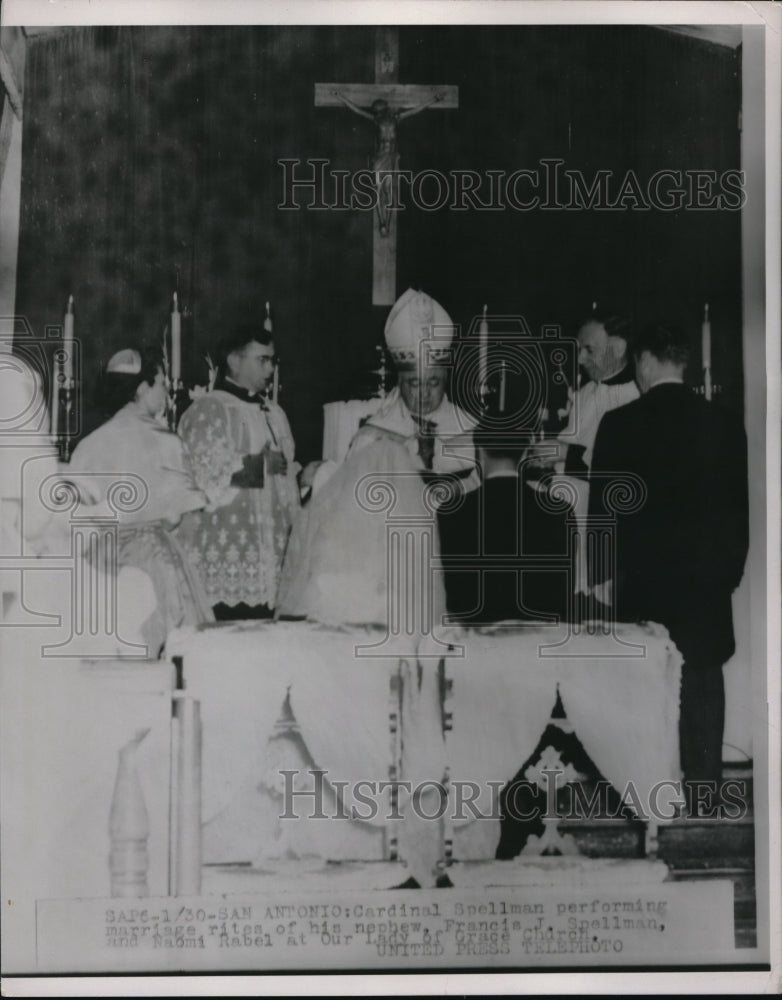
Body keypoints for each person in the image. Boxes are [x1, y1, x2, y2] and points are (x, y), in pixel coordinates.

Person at [588, 323, 749, 798]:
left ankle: (644, 797)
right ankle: (704, 800)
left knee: (645, 693)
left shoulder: (619, 425)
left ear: (643, 361)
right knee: (702, 685)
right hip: (705, 587)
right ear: (682, 361)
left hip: (644, 589)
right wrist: (726, 577)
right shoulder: (723, 422)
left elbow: (603, 519)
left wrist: (602, 583)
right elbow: (737, 513)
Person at [68, 348, 214, 655]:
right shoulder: (165, 441)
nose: (165, 393)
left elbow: (76, 519)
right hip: (154, 559)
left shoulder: (88, 445)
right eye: (160, 383)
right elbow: (187, 519)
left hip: (99, 564)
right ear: (142, 388)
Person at [177, 325, 300, 619]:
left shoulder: (275, 412)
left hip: (272, 555)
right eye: (262, 360)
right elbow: (203, 480)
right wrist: (260, 465)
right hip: (229, 554)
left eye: (273, 360)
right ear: (234, 360)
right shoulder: (210, 409)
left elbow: (286, 481)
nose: (270, 368)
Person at [529, 311, 639, 606]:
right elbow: (569, 440)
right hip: (571, 500)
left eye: (588, 349)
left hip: (603, 511)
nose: (578, 359)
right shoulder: (588, 391)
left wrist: (563, 454)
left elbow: (619, 466)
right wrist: (547, 454)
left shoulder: (634, 398)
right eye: (579, 349)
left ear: (618, 349)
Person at [437, 417, 569, 625]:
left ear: (478, 452)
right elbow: (562, 591)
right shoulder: (559, 511)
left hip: (475, 638)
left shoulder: (453, 512)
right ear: (526, 454)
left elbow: (450, 592)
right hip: (539, 639)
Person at [348, 287, 478, 485]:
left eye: (433, 382)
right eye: (414, 383)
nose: (424, 393)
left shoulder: (471, 433)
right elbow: (353, 497)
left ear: (446, 378)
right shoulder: (371, 438)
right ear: (399, 382)